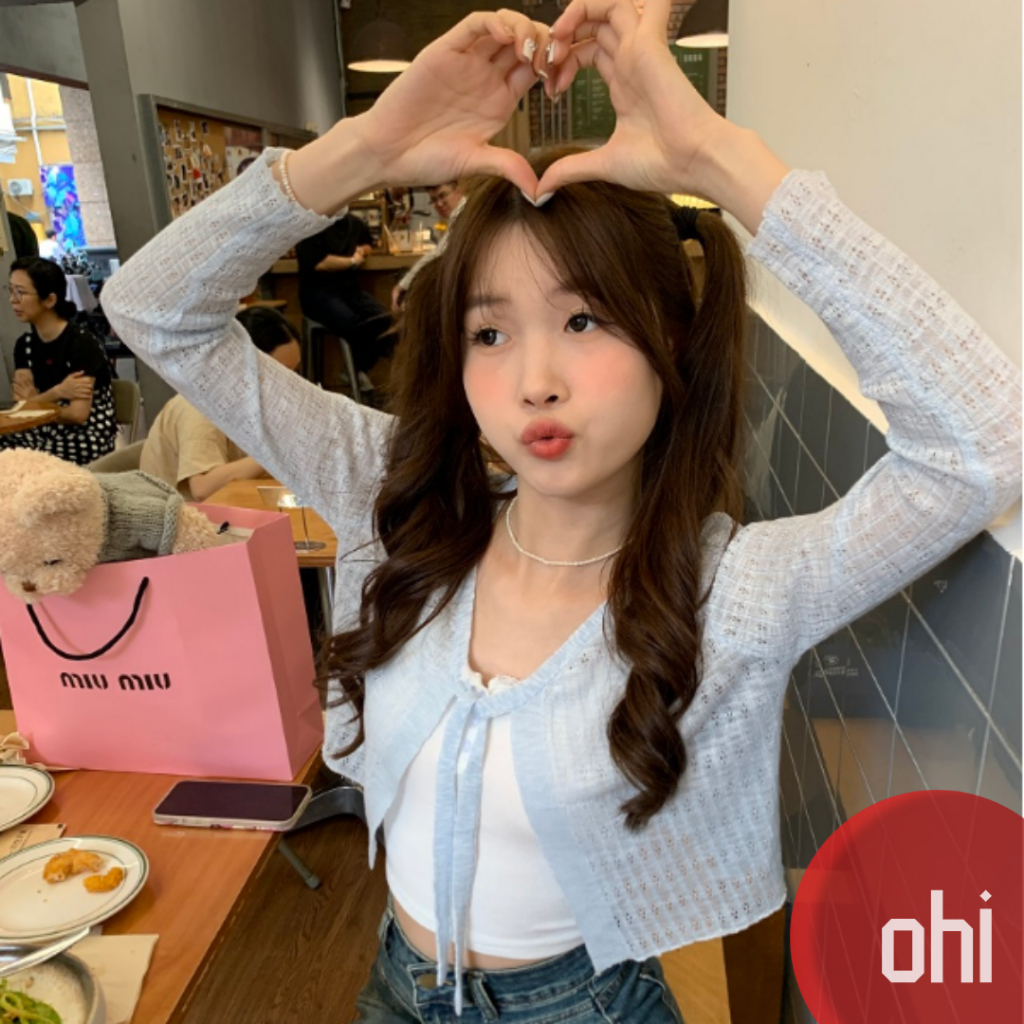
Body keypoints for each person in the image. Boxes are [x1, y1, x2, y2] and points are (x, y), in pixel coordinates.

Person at [101, 2, 1022, 1021]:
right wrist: (362, 151)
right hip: (393, 987)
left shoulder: (738, 591)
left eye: (583, 319)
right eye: (489, 334)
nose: (534, 380)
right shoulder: (400, 501)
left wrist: (719, 161)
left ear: (671, 341)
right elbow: (153, 310)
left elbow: (983, 447)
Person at [140, 306, 301, 500]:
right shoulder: (199, 405)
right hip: (183, 515)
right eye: (280, 373)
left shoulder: (250, 400)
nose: (290, 385)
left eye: (294, 372)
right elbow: (203, 488)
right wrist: (276, 455)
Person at [4, 256, 116, 465]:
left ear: (50, 300)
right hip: (43, 429)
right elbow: (22, 406)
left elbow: (77, 415)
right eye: (10, 290)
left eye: (20, 292)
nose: (13, 299)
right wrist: (58, 392)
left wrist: (36, 401)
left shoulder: (81, 343)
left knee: (26, 460)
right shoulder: (24, 344)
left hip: (84, 434)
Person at [296, 211, 394, 375]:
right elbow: (319, 263)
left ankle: (357, 369)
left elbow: (369, 245)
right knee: (350, 321)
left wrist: (362, 250)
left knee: (385, 318)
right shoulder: (311, 225)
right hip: (317, 293)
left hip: (350, 290)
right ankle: (354, 371)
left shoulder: (354, 223)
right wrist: (352, 261)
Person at [391, 180, 467, 311]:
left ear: (458, 191)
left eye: (443, 196)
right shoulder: (459, 216)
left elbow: (438, 254)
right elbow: (437, 252)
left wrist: (403, 285)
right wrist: (404, 284)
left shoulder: (465, 216)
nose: (439, 204)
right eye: (434, 200)